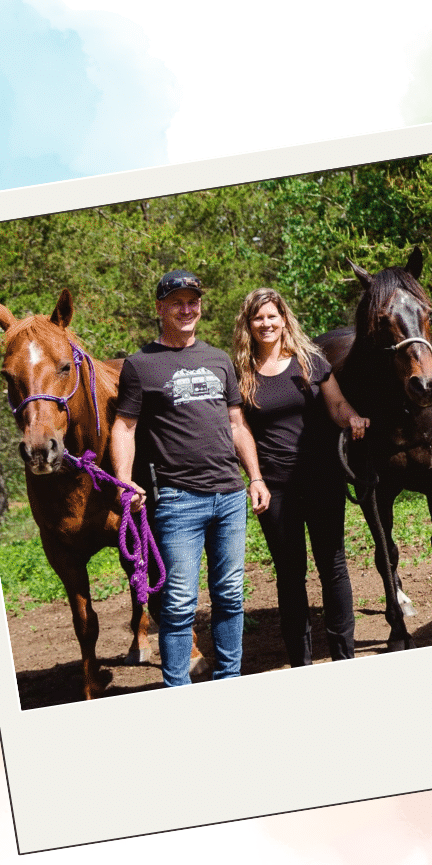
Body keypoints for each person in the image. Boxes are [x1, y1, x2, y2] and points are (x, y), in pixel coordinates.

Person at [111, 270, 270, 686]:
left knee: (231, 596)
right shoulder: (140, 365)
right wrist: (124, 480)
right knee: (179, 604)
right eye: (177, 302)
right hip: (178, 501)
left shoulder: (218, 359)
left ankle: (229, 678)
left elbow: (237, 423)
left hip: (231, 497)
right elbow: (124, 428)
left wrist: (254, 476)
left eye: (193, 301)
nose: (187, 309)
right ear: (160, 308)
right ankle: (177, 688)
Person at [231, 288, 368, 666]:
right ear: (249, 324)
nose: (266, 324)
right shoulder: (240, 374)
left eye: (272, 316)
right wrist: (255, 478)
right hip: (276, 489)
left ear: (284, 319)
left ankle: (344, 655)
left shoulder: (310, 362)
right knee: (290, 574)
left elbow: (337, 405)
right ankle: (300, 662)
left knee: (333, 565)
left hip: (322, 478)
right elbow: (238, 428)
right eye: (259, 318)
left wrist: (352, 417)